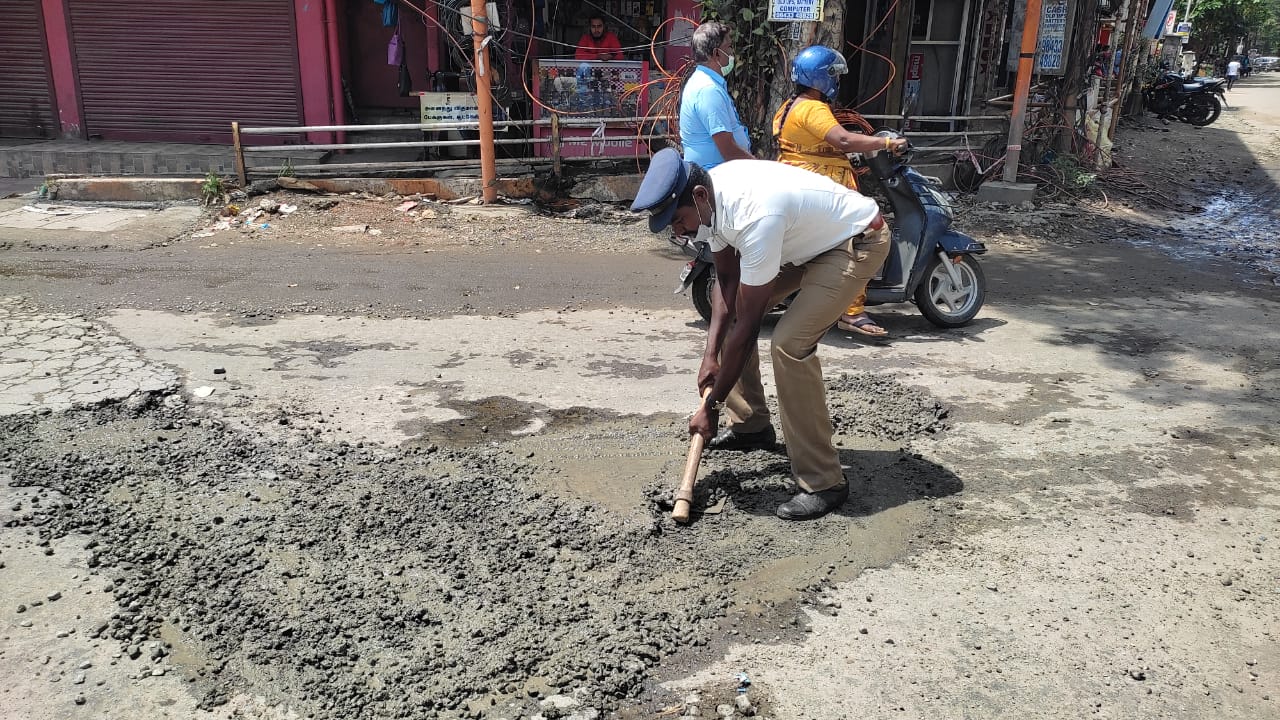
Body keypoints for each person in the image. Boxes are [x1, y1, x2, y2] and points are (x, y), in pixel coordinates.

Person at [630, 148, 897, 520]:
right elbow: (726, 281)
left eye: (678, 220)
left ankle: (824, 482)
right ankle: (751, 425)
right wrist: (710, 354)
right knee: (729, 314)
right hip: (805, 243)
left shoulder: (754, 216)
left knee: (789, 344)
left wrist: (711, 406)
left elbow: (749, 325)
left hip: (854, 242)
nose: (678, 231)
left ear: (699, 198)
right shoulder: (712, 202)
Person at [773, 45, 907, 337]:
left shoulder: (790, 106)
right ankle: (852, 310)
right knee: (864, 237)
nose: (838, 81)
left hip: (802, 182)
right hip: (819, 188)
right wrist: (885, 144)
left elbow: (815, 145)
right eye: (834, 75)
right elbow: (844, 140)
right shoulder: (813, 108)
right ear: (824, 78)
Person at [678, 22, 754, 170]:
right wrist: (759, 166)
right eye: (729, 47)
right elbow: (728, 149)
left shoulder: (705, 82)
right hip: (715, 176)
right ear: (716, 53)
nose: (732, 53)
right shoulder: (708, 90)